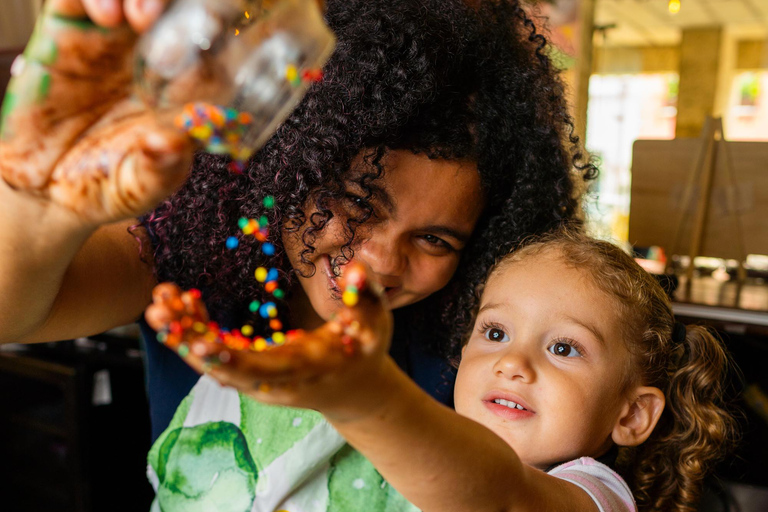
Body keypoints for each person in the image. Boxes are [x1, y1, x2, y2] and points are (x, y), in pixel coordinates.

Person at [0, 0, 593, 444]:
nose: (381, 261)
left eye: (435, 238)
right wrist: (48, 208)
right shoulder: (195, 257)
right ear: (287, 167)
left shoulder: (488, 347)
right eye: (358, 206)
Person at [148, 228, 736, 512]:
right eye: (496, 332)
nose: (512, 362)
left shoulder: (596, 495)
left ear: (632, 414)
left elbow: (499, 496)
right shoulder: (422, 462)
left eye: (563, 348)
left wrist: (365, 396)